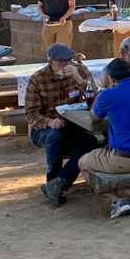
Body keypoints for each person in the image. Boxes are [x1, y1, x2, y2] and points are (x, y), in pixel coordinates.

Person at [78, 59, 130, 218]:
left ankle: (116, 200)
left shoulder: (107, 95)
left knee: (83, 163)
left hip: (121, 160)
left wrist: (101, 91)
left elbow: (94, 117)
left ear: (110, 78)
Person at [25, 43, 99, 205]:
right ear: (51, 62)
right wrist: (50, 122)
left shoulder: (80, 70)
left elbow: (95, 98)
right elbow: (31, 113)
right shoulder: (38, 79)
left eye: (69, 61)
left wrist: (79, 79)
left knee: (90, 141)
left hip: (73, 124)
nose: (66, 65)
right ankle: (52, 178)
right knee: (55, 136)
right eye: (62, 62)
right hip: (45, 128)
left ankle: (59, 182)